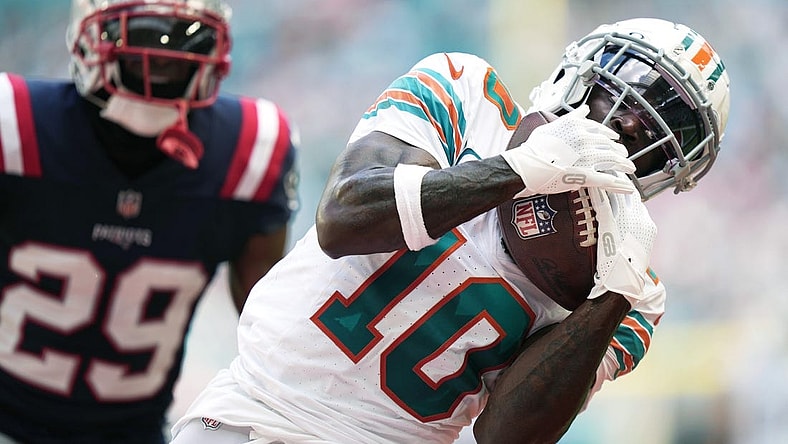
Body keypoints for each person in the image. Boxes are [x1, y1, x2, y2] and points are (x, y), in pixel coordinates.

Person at [170, 17, 730, 444]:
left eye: (665, 117)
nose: (629, 119)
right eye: (625, 87)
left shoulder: (634, 287)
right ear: (580, 70)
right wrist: (519, 170)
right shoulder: (466, 94)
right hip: (255, 417)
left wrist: (610, 296)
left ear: (673, 165)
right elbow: (344, 218)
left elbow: (507, 436)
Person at [0, 1, 298, 443]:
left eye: (184, 38)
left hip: (134, 431)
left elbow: (268, 326)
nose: (162, 57)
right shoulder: (13, 122)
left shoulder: (252, 148)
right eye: (144, 35)